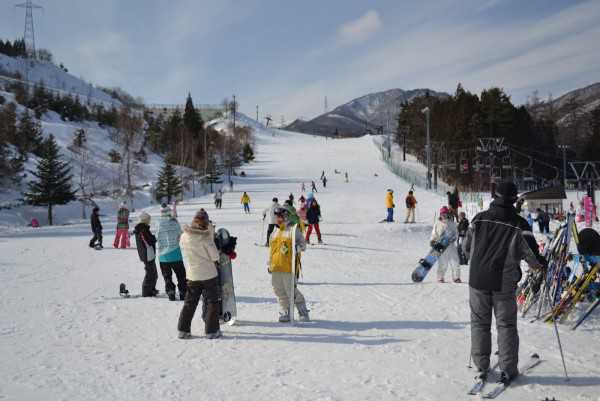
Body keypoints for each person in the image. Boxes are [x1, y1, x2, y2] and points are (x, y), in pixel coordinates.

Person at [463, 181, 545, 385]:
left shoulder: (478, 219)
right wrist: (541, 264)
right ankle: (508, 369)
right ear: (514, 199)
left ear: (495, 196)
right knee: (506, 325)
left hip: (477, 280)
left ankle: (481, 365)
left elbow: (465, 249)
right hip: (503, 282)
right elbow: (532, 257)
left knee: (479, 323)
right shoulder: (519, 224)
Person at [177, 209, 222, 339]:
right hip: (208, 275)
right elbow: (215, 256)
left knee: (189, 303)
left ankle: (183, 330)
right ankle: (211, 331)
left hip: (193, 274)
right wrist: (211, 235)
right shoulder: (205, 238)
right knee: (212, 302)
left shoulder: (185, 236)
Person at [268, 207, 310, 322]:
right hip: (276, 266)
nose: (278, 219)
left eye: (280, 217)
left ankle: (302, 310)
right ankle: (285, 311)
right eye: (277, 217)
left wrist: (298, 247)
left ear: (285, 217)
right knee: (279, 290)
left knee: (290, 290)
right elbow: (272, 249)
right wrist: (269, 263)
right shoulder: (275, 231)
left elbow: (303, 245)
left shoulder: (293, 229)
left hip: (288, 267)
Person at [156, 204, 187, 301]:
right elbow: (181, 235)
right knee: (181, 275)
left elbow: (156, 237)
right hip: (175, 254)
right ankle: (183, 292)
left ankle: (170, 292)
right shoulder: (175, 222)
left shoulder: (158, 223)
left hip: (163, 256)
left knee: (167, 276)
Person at [430, 206, 460, 283]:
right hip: (441, 246)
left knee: (455, 261)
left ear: (448, 214)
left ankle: (456, 277)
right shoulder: (437, 223)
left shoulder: (451, 223)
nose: (444, 215)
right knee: (443, 262)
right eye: (442, 214)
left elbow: (456, 232)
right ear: (440, 214)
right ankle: (440, 277)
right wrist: (432, 240)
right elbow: (434, 233)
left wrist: (454, 237)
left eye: (445, 214)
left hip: (451, 245)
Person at [133, 212, 158, 297]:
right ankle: (146, 291)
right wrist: (154, 238)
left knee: (153, 273)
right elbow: (148, 241)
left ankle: (151, 289)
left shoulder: (142, 228)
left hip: (147, 253)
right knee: (150, 273)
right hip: (147, 254)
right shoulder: (142, 229)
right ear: (145, 220)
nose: (149, 221)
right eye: (148, 219)